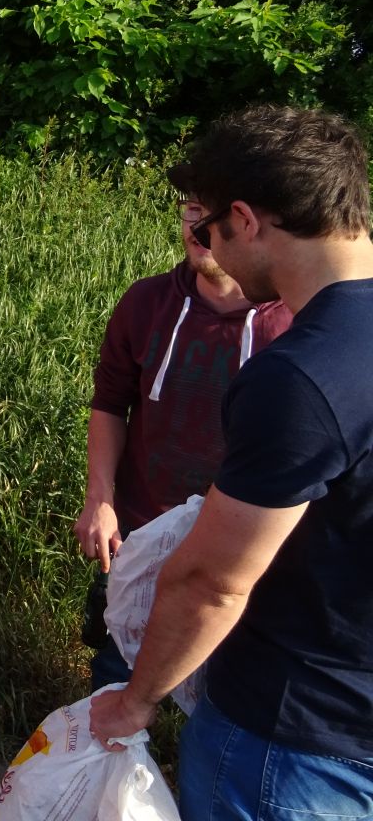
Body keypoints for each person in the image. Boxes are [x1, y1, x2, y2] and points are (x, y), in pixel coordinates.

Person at [89, 106, 373, 818]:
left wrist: (135, 700)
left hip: (288, 739)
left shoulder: (301, 373)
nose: (206, 245)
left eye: (210, 229)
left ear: (245, 221)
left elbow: (212, 582)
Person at [75, 196, 291, 688]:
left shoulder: (293, 320)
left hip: (240, 546)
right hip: (140, 533)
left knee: (223, 698)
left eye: (211, 212)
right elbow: (110, 401)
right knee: (114, 680)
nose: (197, 225)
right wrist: (100, 498)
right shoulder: (147, 302)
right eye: (190, 209)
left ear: (247, 222)